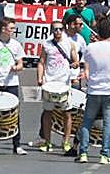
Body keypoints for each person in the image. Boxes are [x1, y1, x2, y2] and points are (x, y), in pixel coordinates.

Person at [75, 18, 110, 165]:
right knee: (108, 123)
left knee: (87, 121)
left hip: (94, 90)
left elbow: (85, 65)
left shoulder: (90, 48)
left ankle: (83, 152)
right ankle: (105, 153)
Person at [0, 17, 27, 155]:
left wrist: (16, 67)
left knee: (13, 113)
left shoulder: (16, 45)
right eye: (11, 28)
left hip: (11, 83)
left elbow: (21, 64)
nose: (13, 30)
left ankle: (17, 144)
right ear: (3, 29)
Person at [36, 21, 79, 153]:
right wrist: (39, 77)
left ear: (64, 30)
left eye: (60, 29)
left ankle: (65, 142)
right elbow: (41, 62)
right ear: (51, 31)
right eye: (55, 29)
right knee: (48, 112)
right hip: (50, 82)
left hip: (64, 83)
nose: (58, 32)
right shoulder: (47, 45)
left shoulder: (69, 43)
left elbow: (76, 60)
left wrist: (76, 64)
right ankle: (47, 142)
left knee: (66, 113)